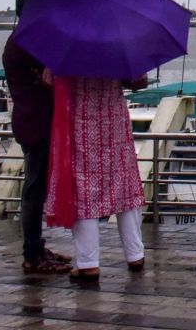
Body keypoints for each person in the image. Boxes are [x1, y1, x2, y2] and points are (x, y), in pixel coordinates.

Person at [45, 72, 150, 284]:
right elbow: (140, 81)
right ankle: (135, 254)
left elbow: (48, 80)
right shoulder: (118, 42)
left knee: (83, 189)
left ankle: (88, 263)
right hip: (114, 121)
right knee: (124, 184)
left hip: (80, 123)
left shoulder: (70, 45)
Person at [3, 0, 72, 274]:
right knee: (34, 189)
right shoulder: (28, 42)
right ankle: (32, 253)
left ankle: (36, 245)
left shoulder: (23, 39)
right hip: (37, 123)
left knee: (37, 187)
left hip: (35, 120)